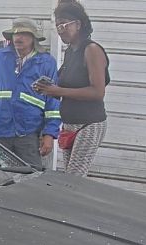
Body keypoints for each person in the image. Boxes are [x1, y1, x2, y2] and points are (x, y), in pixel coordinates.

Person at [0, 17, 61, 170]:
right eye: (16, 34)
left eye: (24, 34)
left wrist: (49, 134)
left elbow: (53, 101)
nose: (19, 37)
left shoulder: (46, 62)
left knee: (31, 176)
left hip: (28, 133)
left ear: (33, 38)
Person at [35, 0, 110, 177]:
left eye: (64, 25)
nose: (60, 30)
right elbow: (63, 84)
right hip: (69, 123)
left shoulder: (91, 50)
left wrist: (57, 91)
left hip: (89, 123)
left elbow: (97, 92)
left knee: (75, 178)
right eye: (58, 26)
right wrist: (47, 87)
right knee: (70, 175)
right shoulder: (70, 51)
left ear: (78, 24)